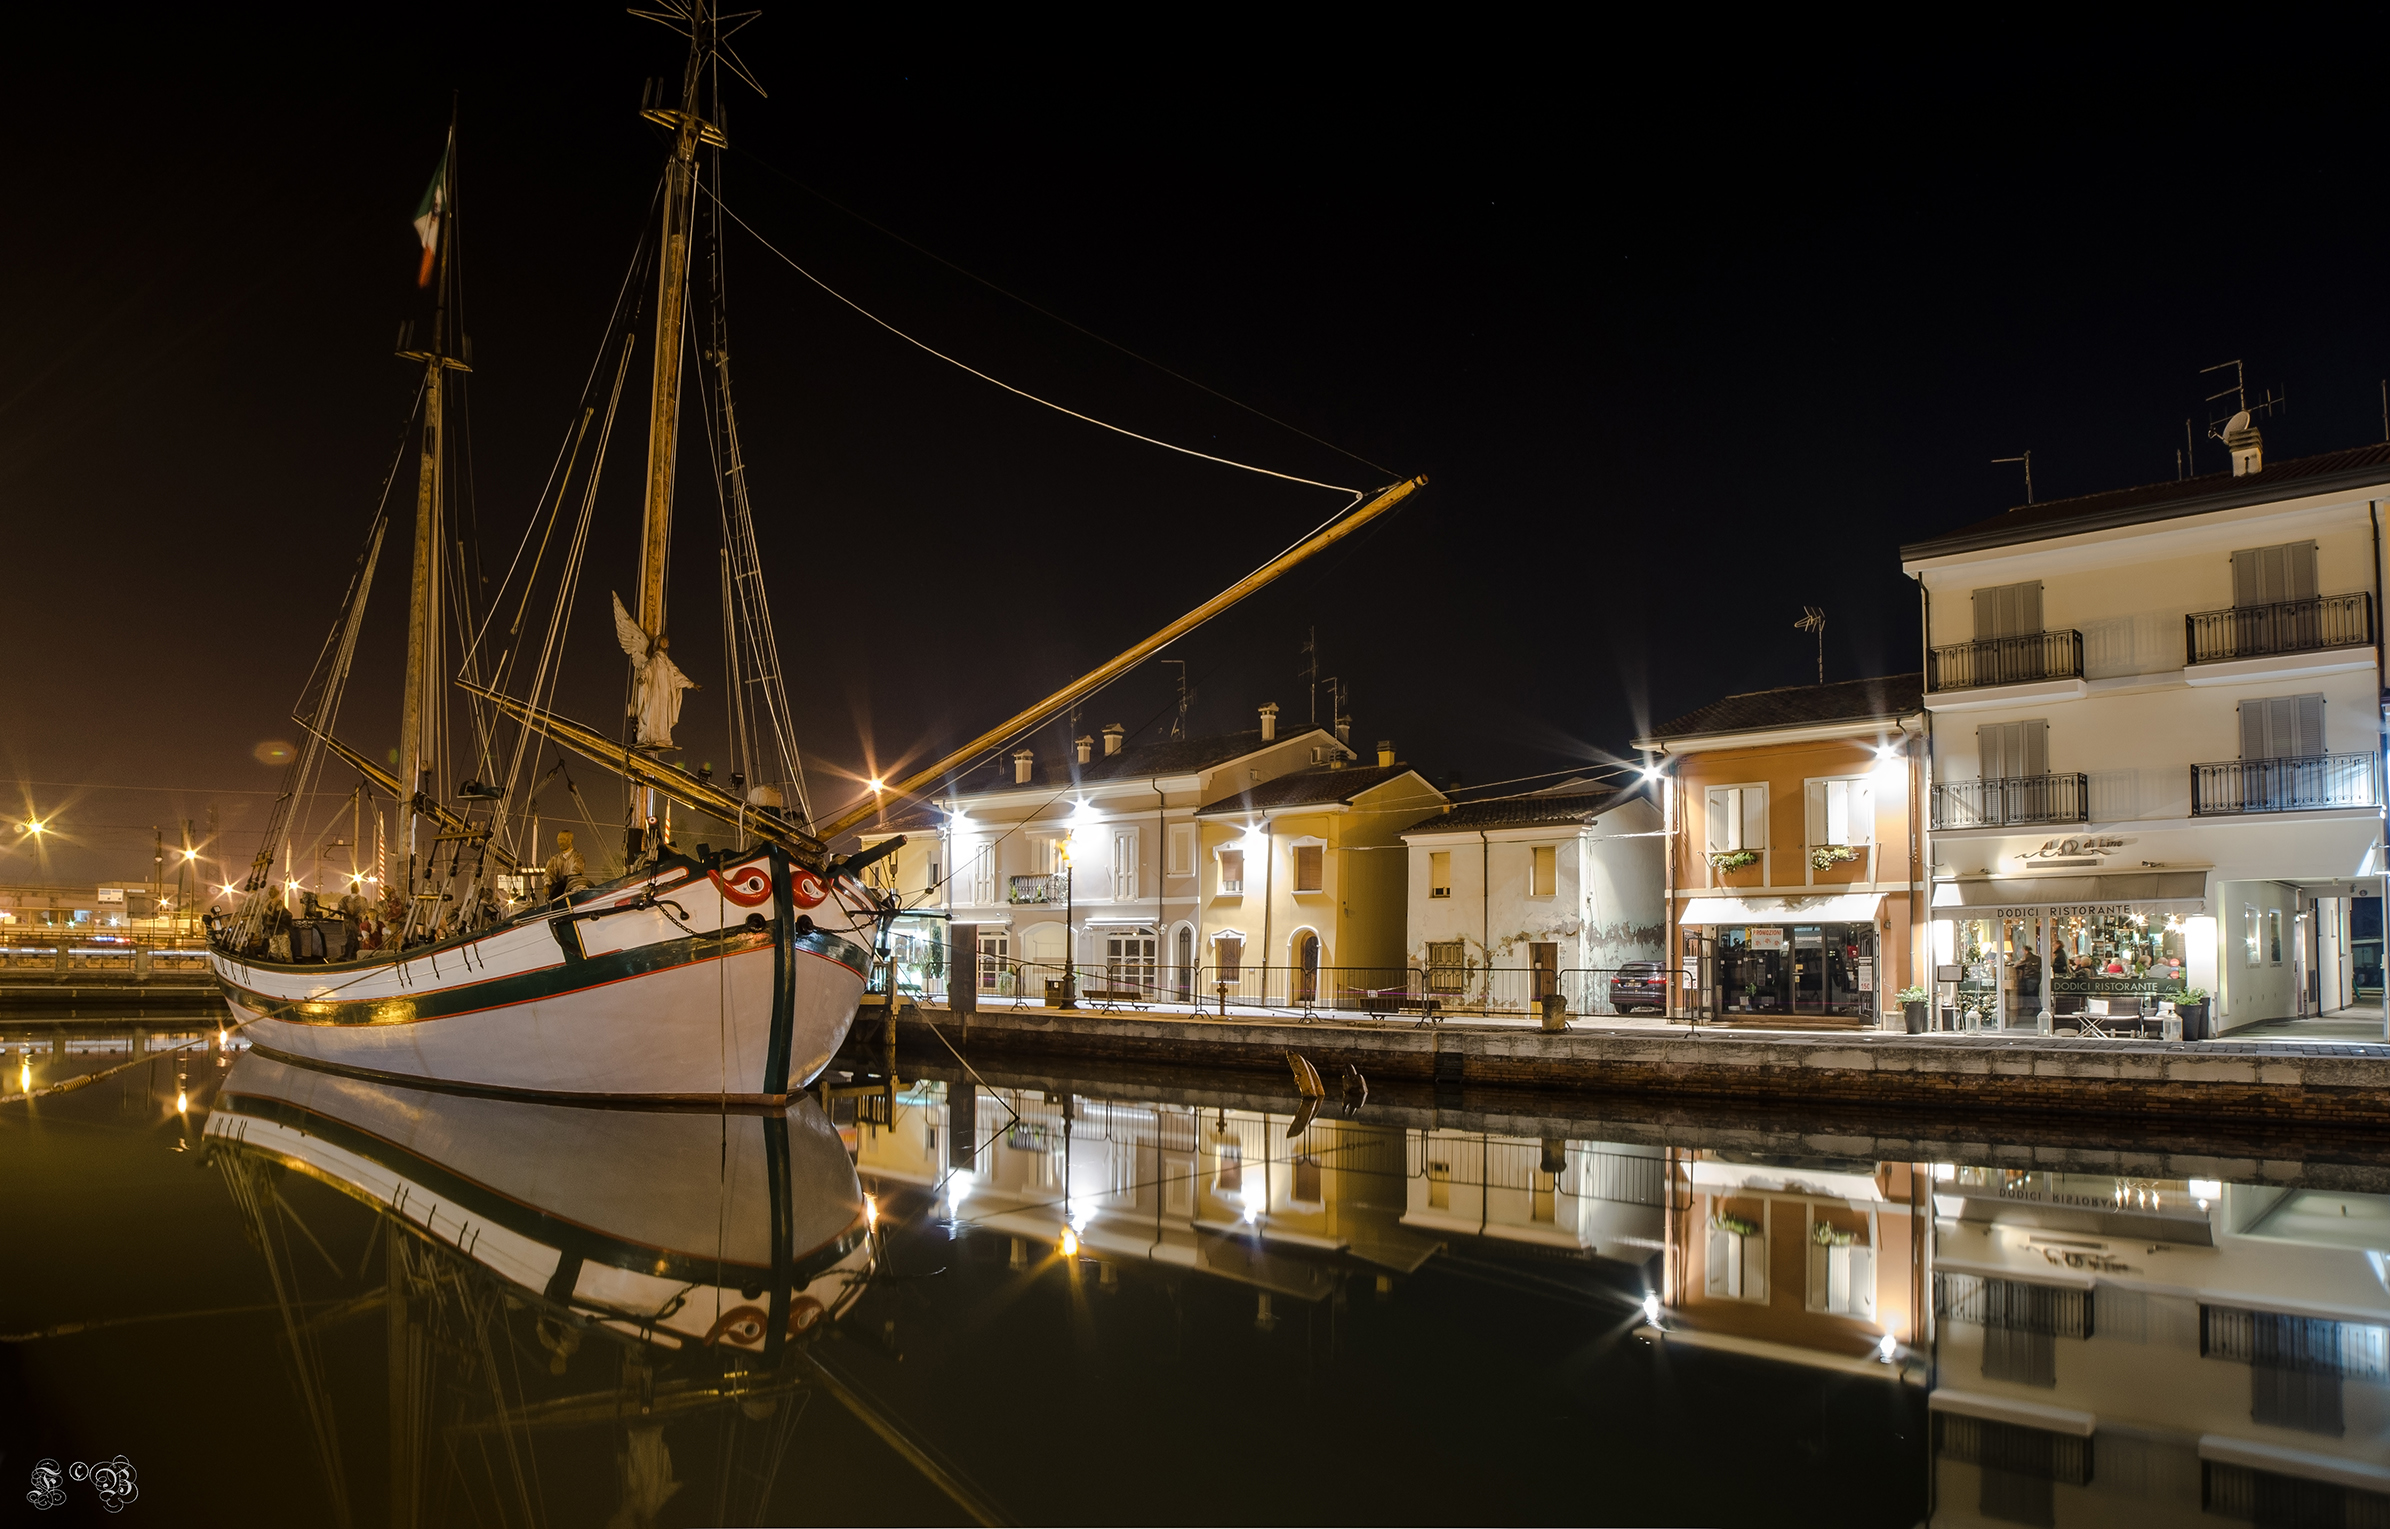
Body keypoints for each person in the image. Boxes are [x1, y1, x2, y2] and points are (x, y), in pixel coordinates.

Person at [544, 830, 591, 902]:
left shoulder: (578, 857)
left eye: (563, 839)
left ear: (570, 840)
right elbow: (548, 874)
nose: (560, 842)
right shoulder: (553, 860)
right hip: (557, 893)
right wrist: (547, 884)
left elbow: (576, 871)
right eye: (559, 839)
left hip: (572, 889)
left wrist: (566, 881)